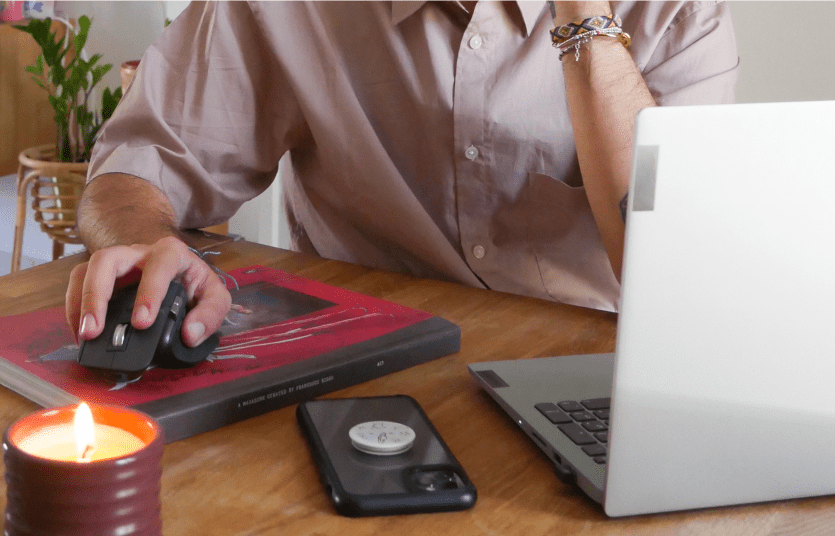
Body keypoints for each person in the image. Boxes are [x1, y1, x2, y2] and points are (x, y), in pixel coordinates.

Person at [66, 0, 739, 348]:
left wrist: (585, 22)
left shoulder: (673, 12)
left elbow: (673, 278)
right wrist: (148, 243)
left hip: (592, 391)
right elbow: (134, 167)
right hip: (355, 385)